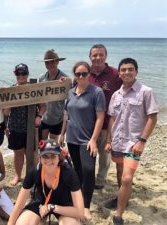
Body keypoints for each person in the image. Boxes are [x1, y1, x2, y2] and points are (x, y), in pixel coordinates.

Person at [105, 58, 159, 225]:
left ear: (136, 72)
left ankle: (119, 214)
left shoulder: (145, 91)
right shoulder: (116, 94)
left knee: (127, 178)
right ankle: (122, 198)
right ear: (119, 73)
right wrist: (109, 140)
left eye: (130, 69)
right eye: (123, 70)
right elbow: (112, 119)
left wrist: (142, 141)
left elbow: (152, 117)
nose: (126, 72)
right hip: (118, 141)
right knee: (120, 172)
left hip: (133, 143)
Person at [59, 61, 106, 220]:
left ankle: (86, 206)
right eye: (77, 74)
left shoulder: (97, 92)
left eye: (84, 73)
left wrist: (93, 140)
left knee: (88, 170)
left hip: (87, 140)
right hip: (71, 138)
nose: (81, 76)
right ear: (74, 75)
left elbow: (100, 118)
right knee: (77, 170)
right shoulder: (71, 92)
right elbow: (67, 115)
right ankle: (77, 201)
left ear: (89, 74)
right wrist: (62, 134)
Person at [8, 139, 85, 225]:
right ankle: (41, 219)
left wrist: (51, 207)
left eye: (53, 156)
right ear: (40, 158)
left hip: (64, 205)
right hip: (40, 202)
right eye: (45, 156)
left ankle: (43, 218)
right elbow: (18, 205)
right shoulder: (34, 172)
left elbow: (80, 212)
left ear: (59, 157)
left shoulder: (69, 173)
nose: (49, 160)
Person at [4, 63, 46, 186]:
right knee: (18, 153)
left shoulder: (34, 89)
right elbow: (6, 112)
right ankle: (17, 176)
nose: (21, 76)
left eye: (23, 73)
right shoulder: (11, 90)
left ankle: (32, 175)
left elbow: (43, 106)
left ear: (27, 74)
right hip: (15, 127)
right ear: (15, 74)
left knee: (32, 153)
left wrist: (39, 116)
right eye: (18, 73)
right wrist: (6, 126)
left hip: (31, 128)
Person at [88, 44, 122, 190]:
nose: (97, 58)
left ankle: (101, 179)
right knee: (89, 153)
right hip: (88, 124)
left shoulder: (115, 74)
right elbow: (73, 90)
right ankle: (88, 176)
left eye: (101, 54)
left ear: (105, 56)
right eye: (94, 55)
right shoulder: (84, 73)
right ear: (90, 57)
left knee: (104, 154)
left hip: (108, 123)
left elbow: (126, 91)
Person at [39, 49, 68, 141]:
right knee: (42, 144)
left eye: (52, 62)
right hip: (44, 118)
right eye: (47, 63)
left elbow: (71, 98)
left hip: (57, 119)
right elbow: (38, 97)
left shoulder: (65, 78)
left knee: (53, 146)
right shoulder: (41, 78)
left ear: (57, 62)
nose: (49, 65)